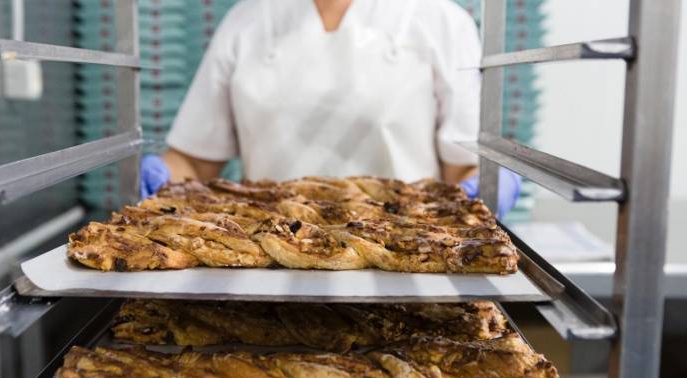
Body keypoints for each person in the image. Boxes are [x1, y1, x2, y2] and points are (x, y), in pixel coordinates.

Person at [141, 0, 521, 217]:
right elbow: (195, 163)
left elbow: (462, 167)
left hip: (404, 256)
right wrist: (157, 176)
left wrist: (484, 184)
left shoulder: (438, 20)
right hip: (271, 256)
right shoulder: (248, 20)